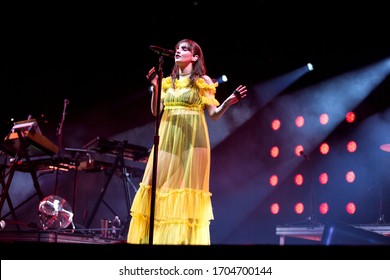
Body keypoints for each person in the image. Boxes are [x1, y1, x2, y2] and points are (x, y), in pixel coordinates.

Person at [127, 38, 247, 245]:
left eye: (184, 49)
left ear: (195, 56)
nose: (178, 52)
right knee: (155, 186)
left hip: (193, 141)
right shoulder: (166, 82)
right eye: (177, 49)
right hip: (166, 139)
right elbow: (156, 111)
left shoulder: (203, 81)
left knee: (185, 191)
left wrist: (229, 101)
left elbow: (214, 114)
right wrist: (156, 87)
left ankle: (182, 242)